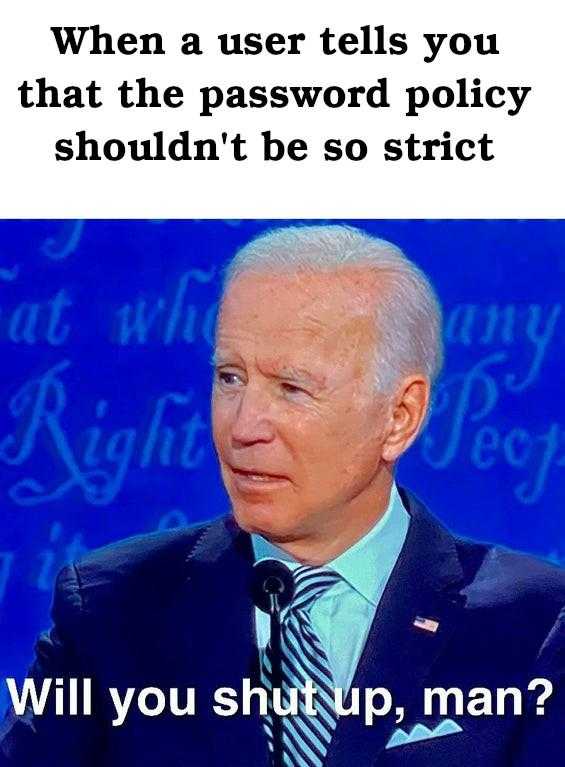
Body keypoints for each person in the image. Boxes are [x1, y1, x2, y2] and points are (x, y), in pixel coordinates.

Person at [1, 225, 564, 766]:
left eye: (292, 389)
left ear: (399, 416)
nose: (244, 426)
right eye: (230, 378)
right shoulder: (110, 608)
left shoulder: (537, 623)